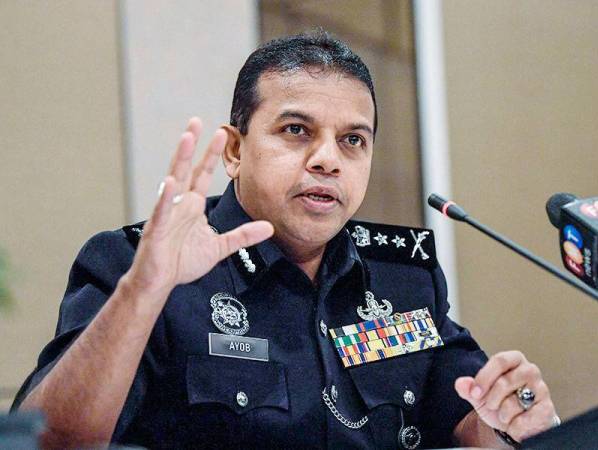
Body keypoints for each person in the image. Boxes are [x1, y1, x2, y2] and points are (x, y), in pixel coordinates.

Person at [13, 31, 558, 449]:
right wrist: (142, 292)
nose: (327, 160)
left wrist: (513, 418)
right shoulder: (137, 264)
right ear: (234, 151)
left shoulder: (404, 279)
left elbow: (473, 424)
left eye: (353, 140)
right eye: (297, 130)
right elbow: (48, 441)